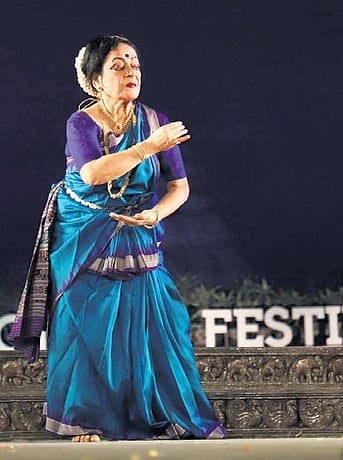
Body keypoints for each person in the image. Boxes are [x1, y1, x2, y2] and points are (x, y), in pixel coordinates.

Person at [9, 34, 226, 442]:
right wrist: (148, 147)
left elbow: (179, 186)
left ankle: (158, 414)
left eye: (135, 64)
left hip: (136, 232)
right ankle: (86, 420)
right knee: (83, 324)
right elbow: (93, 174)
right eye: (118, 65)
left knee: (156, 322)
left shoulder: (155, 121)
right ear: (95, 80)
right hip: (82, 233)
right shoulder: (81, 123)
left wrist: (155, 214)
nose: (131, 72)